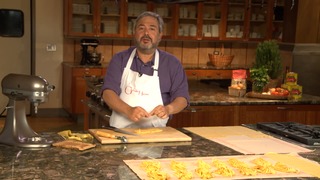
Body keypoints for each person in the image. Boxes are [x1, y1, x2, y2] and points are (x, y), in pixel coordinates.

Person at [101, 11, 189, 128]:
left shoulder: (172, 64)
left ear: (160, 35)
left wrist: (168, 109)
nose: (146, 33)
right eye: (141, 28)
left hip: (156, 134)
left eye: (152, 29)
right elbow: (107, 93)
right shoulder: (120, 59)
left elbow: (182, 98)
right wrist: (128, 110)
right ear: (134, 32)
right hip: (121, 132)